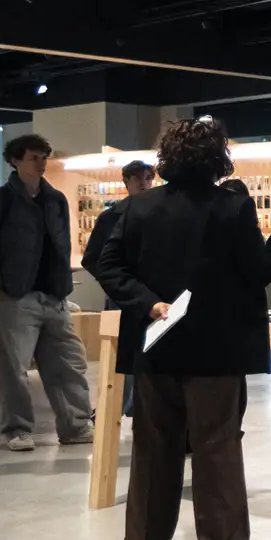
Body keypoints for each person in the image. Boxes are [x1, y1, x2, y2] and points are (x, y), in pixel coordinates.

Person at [91, 117, 271, 540]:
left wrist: (148, 302)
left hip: (157, 344)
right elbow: (257, 272)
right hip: (216, 350)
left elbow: (107, 264)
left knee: (153, 450)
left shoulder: (139, 207)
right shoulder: (232, 208)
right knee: (216, 450)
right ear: (217, 157)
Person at [0, 132, 95, 452]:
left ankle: (76, 425)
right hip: (16, 296)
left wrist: (63, 286)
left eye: (44, 157)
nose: (41, 164)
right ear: (15, 161)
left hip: (54, 296)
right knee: (14, 369)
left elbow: (61, 243)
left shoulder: (55, 200)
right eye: (33, 158)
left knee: (69, 363)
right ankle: (18, 429)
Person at [81, 159, 156, 417]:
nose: (143, 183)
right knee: (121, 355)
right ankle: (112, 409)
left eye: (148, 178)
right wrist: (114, 283)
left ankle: (139, 408)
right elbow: (92, 258)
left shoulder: (157, 213)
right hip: (122, 296)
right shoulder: (111, 217)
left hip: (153, 295)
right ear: (127, 182)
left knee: (150, 352)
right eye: (137, 178)